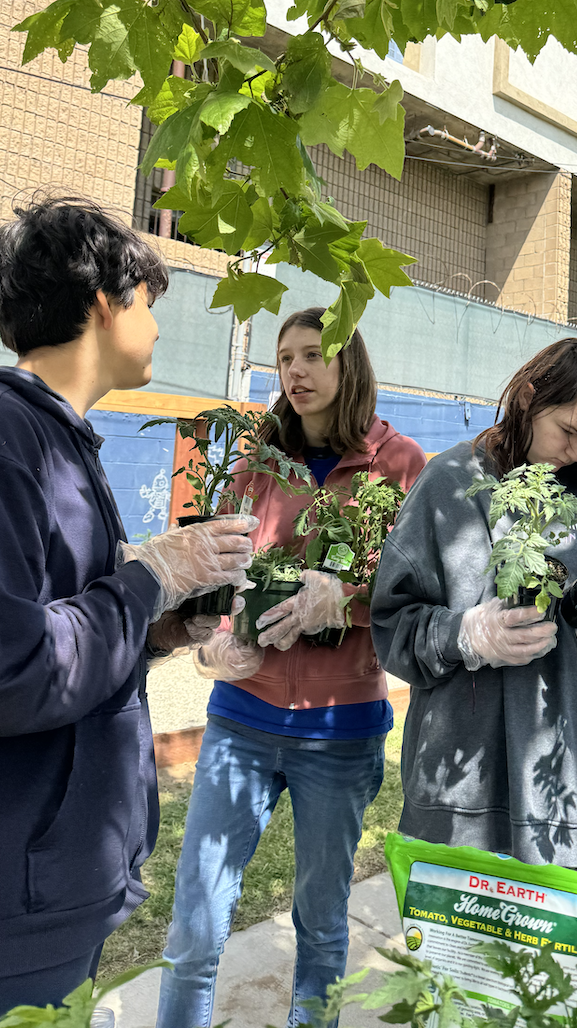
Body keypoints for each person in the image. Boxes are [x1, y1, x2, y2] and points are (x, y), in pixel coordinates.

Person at [0, 197, 256, 1028]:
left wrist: (158, 626)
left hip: (54, 890)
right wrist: (146, 580)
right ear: (102, 300)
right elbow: (0, 670)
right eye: (148, 299)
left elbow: (63, 626)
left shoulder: (57, 438)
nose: (159, 325)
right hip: (2, 903)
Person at [157, 307, 427, 1028]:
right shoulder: (254, 462)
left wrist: (349, 600)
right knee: (194, 928)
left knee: (320, 925)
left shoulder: (399, 466)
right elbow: (219, 572)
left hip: (338, 735)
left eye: (314, 354)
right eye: (285, 359)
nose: (297, 371)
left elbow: (421, 590)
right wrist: (215, 638)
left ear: (349, 366)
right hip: (241, 720)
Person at [370, 337, 577, 871]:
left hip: (573, 799)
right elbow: (391, 628)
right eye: (568, 431)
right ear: (527, 397)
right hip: (462, 802)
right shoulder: (450, 486)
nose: (574, 452)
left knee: (569, 956)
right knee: (461, 955)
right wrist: (466, 635)